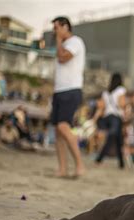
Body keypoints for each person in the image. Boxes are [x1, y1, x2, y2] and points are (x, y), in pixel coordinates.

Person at [50, 16, 86, 177]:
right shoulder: (64, 45)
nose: (54, 31)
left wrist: (58, 40)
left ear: (65, 27)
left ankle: (79, 165)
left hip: (71, 90)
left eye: (56, 28)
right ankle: (62, 169)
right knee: (58, 132)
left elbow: (63, 58)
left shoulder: (75, 42)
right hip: (59, 91)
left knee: (63, 127)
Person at [93, 73, 127, 169]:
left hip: (107, 117)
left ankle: (121, 163)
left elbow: (101, 107)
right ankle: (99, 159)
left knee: (118, 139)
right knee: (111, 139)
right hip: (116, 117)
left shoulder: (106, 92)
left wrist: (95, 118)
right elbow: (122, 104)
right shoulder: (121, 90)